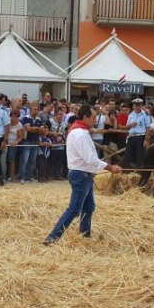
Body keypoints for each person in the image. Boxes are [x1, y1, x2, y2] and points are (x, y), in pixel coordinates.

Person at [43, 105, 122, 245]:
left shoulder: (78, 130)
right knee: (74, 209)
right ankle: (52, 237)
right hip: (81, 174)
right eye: (92, 117)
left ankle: (85, 235)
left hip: (83, 174)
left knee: (89, 207)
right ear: (85, 117)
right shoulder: (81, 134)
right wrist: (110, 167)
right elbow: (90, 159)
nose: (94, 120)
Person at [122, 98, 149, 169]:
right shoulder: (131, 115)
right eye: (136, 105)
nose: (137, 107)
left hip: (140, 136)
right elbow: (127, 126)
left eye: (139, 105)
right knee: (127, 155)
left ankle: (139, 173)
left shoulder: (145, 114)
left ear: (141, 106)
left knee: (139, 156)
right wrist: (131, 125)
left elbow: (148, 127)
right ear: (133, 106)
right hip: (131, 136)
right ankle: (125, 173)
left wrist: (146, 139)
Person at [5, 110, 25, 182]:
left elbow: (20, 137)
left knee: (11, 160)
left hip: (13, 144)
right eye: (12, 116)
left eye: (15, 116)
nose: (13, 118)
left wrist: (16, 142)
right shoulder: (7, 123)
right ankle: (5, 175)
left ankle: (12, 176)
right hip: (6, 143)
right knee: (5, 160)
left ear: (18, 117)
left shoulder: (19, 125)